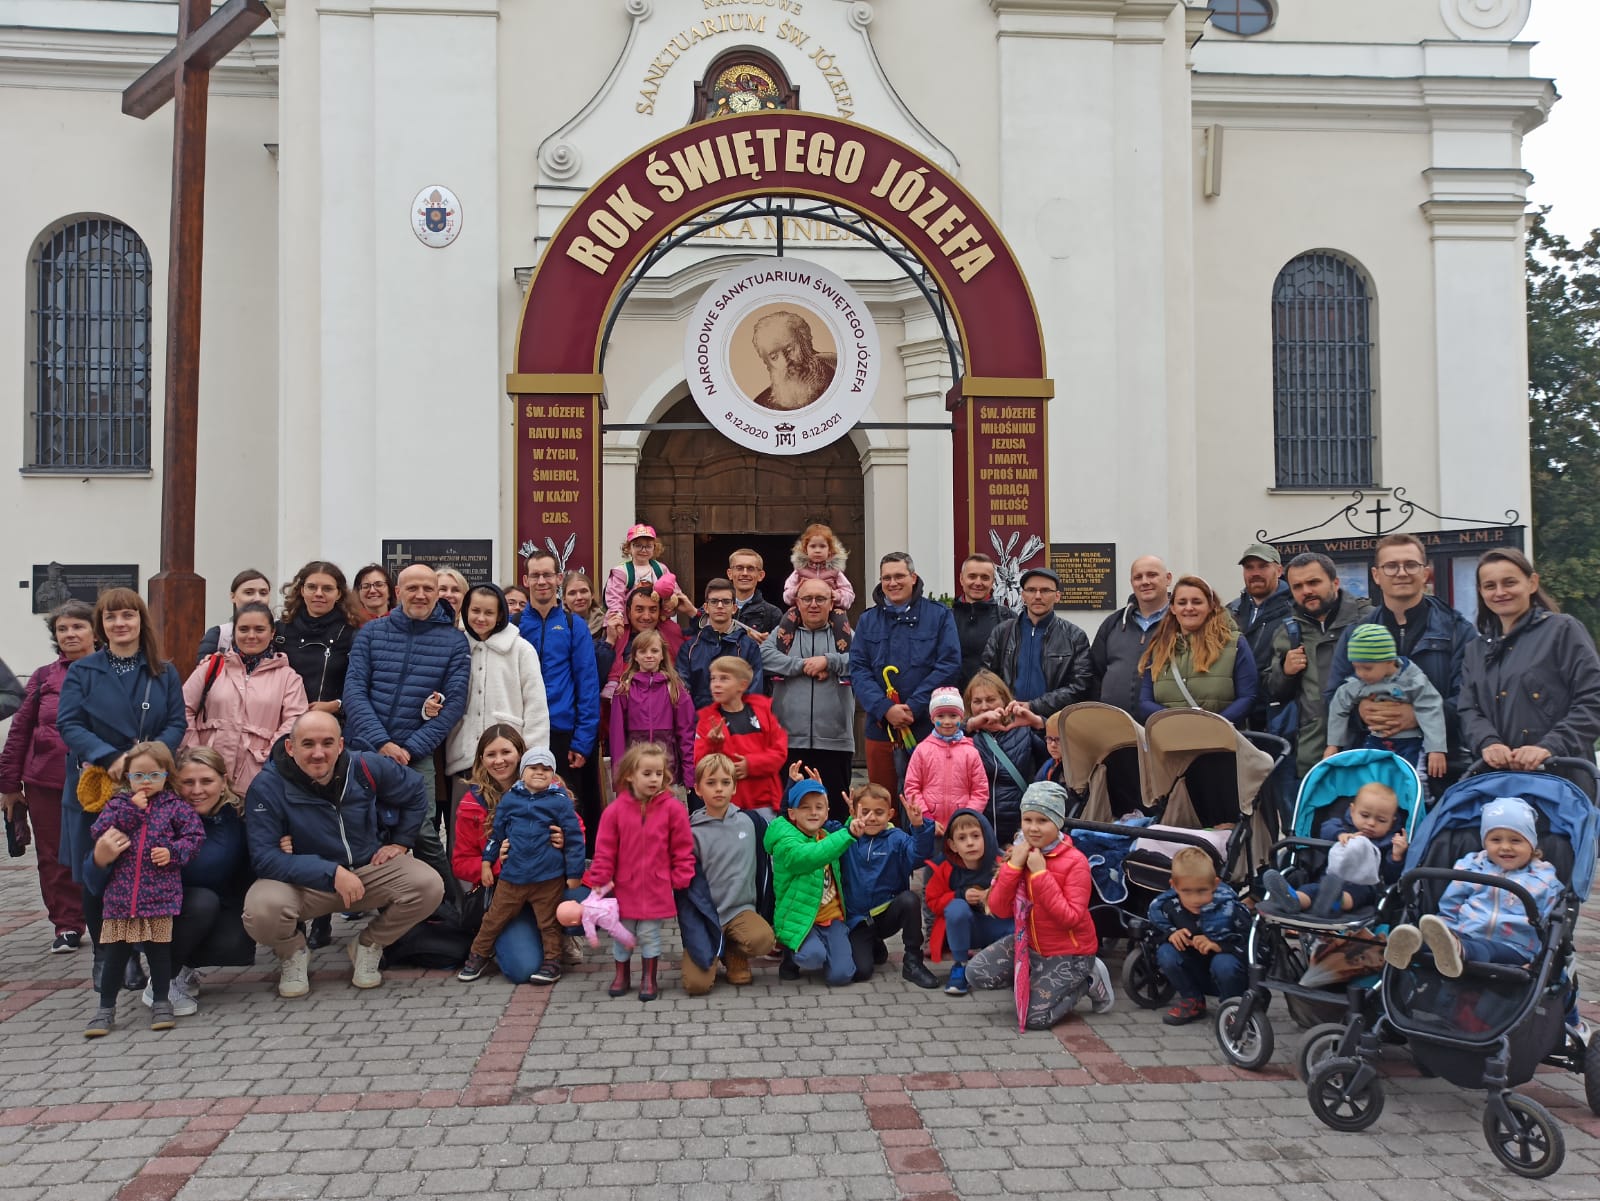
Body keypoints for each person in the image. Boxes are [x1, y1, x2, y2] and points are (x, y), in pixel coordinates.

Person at [242, 711, 442, 997]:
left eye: (327, 743)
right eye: (308, 744)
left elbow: (415, 789)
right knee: (261, 910)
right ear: (290, 747)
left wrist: (401, 842)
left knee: (428, 885)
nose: (318, 753)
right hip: (305, 883)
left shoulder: (364, 766)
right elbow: (265, 858)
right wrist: (331, 873)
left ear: (340, 745)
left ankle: (368, 944)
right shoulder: (267, 786)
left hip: (366, 871)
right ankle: (293, 953)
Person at [57, 588, 187, 992]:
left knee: (143, 865)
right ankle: (106, 954)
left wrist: (148, 760)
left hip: (149, 784)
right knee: (98, 868)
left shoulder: (164, 671)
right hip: (99, 783)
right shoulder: (83, 671)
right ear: (101, 625)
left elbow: (177, 723)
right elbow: (69, 723)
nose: (120, 624)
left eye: (128, 615)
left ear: (140, 621)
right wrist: (109, 756)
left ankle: (138, 950)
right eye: (111, 617)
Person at [343, 563, 470, 876]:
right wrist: (382, 742)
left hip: (416, 753)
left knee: (423, 831)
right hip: (366, 747)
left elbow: (453, 704)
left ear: (437, 594)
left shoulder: (454, 642)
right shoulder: (372, 633)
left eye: (428, 588)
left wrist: (410, 749)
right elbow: (354, 691)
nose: (420, 595)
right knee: (358, 824)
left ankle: (448, 900)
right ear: (398, 592)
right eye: (412, 588)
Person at [1325, 534, 1476, 782]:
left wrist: (1418, 716)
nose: (1401, 573)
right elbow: (1333, 695)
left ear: (1425, 573)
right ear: (1376, 575)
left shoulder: (1457, 630)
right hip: (1372, 766)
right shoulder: (1356, 634)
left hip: (1440, 769)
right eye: (1391, 566)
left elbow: (1470, 698)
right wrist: (1361, 713)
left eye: (1411, 565)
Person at [964, 781, 1114, 1028]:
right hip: (1029, 944)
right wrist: (1013, 867)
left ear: (1058, 822)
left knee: (1035, 1019)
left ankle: (1088, 980)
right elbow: (999, 909)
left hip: (1070, 952)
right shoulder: (1019, 851)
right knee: (976, 973)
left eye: (1042, 820)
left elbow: (1070, 918)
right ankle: (1038, 982)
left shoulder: (1075, 862)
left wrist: (1040, 874)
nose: (1033, 828)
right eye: (1028, 819)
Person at [82, 741, 205, 1037]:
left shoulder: (175, 807)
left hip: (159, 898)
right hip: (120, 899)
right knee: (115, 957)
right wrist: (131, 811)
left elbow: (194, 837)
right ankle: (105, 1009)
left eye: (154, 775)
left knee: (160, 954)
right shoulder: (118, 805)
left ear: (166, 775)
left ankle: (162, 1002)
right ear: (127, 777)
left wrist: (172, 853)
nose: (146, 782)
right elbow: (100, 831)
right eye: (138, 775)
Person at [123, 747, 254, 1015]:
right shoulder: (160, 816)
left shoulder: (237, 816)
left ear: (223, 781)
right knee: (203, 902)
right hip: (159, 911)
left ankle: (182, 966)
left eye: (206, 781)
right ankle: (162, 982)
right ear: (174, 783)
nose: (197, 790)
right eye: (188, 782)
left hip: (214, 905)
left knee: (237, 939)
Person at [0, 600, 96, 952]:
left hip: (100, 780)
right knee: (53, 855)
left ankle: (107, 918)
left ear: (95, 631)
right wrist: (9, 785)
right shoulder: (44, 677)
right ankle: (67, 924)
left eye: (78, 626)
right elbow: (20, 731)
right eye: (62, 629)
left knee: (102, 848)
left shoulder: (113, 672)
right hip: (47, 781)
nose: (70, 634)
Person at [452, 725, 579, 978]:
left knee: (578, 904)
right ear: (481, 759)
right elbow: (461, 862)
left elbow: (578, 834)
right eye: (491, 754)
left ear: (521, 754)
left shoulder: (552, 790)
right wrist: (495, 863)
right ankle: (489, 950)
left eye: (506, 752)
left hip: (547, 877)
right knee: (522, 968)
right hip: (508, 883)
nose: (499, 760)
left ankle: (559, 944)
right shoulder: (472, 802)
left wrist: (563, 841)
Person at [1384, 797, 1560, 978]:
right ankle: (1412, 944)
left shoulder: (1542, 878)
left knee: (1485, 949)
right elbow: (1452, 902)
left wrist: (1540, 958)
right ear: (1485, 843)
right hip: (1465, 932)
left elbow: (1548, 922)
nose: (1505, 847)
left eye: (1515, 841)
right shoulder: (1472, 867)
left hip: (1513, 947)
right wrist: (1447, 927)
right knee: (1445, 941)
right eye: (1496, 840)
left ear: (1531, 844)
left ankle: (1454, 949)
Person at [1458, 548, 1600, 770]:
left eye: (1510, 583)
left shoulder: (1562, 630)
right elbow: (1468, 709)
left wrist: (1550, 746)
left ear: (1532, 583)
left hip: (1562, 774)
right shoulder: (1475, 650)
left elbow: (1593, 698)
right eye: (1490, 586)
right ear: (1481, 592)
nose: (1500, 592)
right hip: (1499, 778)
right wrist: (1488, 742)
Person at [583, 742, 695, 1002]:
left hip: (656, 886)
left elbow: (682, 847)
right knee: (622, 934)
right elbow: (605, 849)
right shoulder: (615, 811)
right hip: (624, 887)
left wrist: (682, 875)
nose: (654, 779)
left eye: (658, 773)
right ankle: (622, 975)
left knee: (649, 934)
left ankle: (649, 978)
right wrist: (599, 878)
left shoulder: (673, 809)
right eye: (647, 773)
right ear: (630, 775)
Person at [849, 552, 962, 794]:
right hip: (881, 728)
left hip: (927, 728)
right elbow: (858, 669)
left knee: (927, 799)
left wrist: (913, 706)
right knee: (882, 801)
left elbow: (949, 665)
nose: (893, 583)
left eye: (899, 576)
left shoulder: (939, 615)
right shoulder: (868, 620)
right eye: (886, 578)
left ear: (913, 577)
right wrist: (885, 709)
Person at [1263, 552, 1373, 778]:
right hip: (1312, 751)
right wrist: (1285, 671)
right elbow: (1272, 690)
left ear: (1335, 582)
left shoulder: (1368, 620)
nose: (1306, 591)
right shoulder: (1288, 631)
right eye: (1298, 586)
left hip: (1367, 743)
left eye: (1313, 582)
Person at [182, 602, 309, 793]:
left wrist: (268, 758)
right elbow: (183, 708)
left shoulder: (288, 677)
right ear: (234, 632)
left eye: (259, 629)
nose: (251, 636)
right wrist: (196, 753)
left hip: (258, 778)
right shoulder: (212, 667)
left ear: (272, 633)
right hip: (206, 777)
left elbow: (295, 722)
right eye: (243, 629)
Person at [519, 550, 601, 843]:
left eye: (547, 575)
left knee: (569, 810)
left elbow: (587, 684)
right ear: (526, 580)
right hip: (524, 732)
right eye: (535, 575)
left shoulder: (573, 625)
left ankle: (576, 867)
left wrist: (582, 740)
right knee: (527, 809)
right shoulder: (514, 625)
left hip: (563, 732)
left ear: (558, 578)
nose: (541, 581)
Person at [682, 753, 778, 995]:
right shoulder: (690, 833)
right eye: (711, 783)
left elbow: (787, 829)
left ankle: (734, 952)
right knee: (697, 986)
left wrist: (795, 791)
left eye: (725, 782)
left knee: (763, 939)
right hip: (706, 917)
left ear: (734, 787)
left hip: (739, 911)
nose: (719, 789)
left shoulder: (751, 823)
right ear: (698, 789)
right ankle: (712, 949)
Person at [763, 577, 856, 821]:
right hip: (788, 741)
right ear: (797, 602)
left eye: (820, 599)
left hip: (835, 741)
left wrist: (829, 661)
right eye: (807, 599)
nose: (813, 604)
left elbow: (861, 660)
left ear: (832, 603)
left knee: (835, 814)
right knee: (789, 813)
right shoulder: (783, 634)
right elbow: (763, 656)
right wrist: (802, 666)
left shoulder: (845, 634)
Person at [443, 584, 550, 785]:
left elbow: (536, 705)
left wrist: (535, 757)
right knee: (465, 804)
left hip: (508, 758)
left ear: (500, 615)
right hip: (463, 757)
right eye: (475, 611)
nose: (481, 618)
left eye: (489, 612)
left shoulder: (521, 649)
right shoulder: (457, 647)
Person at [766, 777, 863, 986]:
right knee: (813, 956)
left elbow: (836, 842)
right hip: (800, 919)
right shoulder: (785, 842)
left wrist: (854, 823)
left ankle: (826, 950)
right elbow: (811, 855)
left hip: (831, 918)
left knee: (841, 976)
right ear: (792, 814)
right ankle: (792, 954)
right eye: (805, 807)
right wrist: (848, 834)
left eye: (819, 807)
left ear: (827, 812)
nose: (813, 812)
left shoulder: (826, 835)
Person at [839, 783, 938, 987]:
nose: (872, 818)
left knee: (910, 900)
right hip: (858, 921)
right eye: (865, 812)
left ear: (890, 814)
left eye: (879, 812)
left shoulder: (897, 839)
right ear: (854, 812)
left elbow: (919, 855)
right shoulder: (846, 837)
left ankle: (913, 962)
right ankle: (874, 945)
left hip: (887, 916)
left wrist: (919, 826)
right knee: (861, 972)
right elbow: (821, 830)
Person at [1261, 781, 1406, 916]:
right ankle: (1293, 899)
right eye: (1365, 815)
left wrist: (1396, 857)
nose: (1371, 823)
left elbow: (1391, 877)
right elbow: (1326, 830)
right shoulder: (1341, 826)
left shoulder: (1388, 842)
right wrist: (1340, 835)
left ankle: (1335, 902)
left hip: (1364, 886)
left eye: (1381, 820)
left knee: (1353, 895)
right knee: (1310, 889)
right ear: (1352, 810)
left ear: (1392, 822)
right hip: (1327, 881)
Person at [1146, 846, 1250, 1026]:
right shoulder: (1169, 907)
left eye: (1202, 891)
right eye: (1187, 891)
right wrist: (1170, 934)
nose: (1195, 899)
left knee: (1224, 963)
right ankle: (1192, 999)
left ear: (1215, 884)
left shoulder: (1231, 909)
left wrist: (1221, 946)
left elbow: (1256, 947)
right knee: (1166, 952)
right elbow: (1150, 937)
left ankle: (1233, 1007)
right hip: (1195, 969)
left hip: (1230, 975)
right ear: (1174, 886)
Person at [1324, 626, 1448, 777]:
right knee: (1371, 779)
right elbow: (1339, 706)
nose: (1361, 674)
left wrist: (1436, 749)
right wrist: (1334, 744)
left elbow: (1431, 709)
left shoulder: (1414, 681)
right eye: (1356, 667)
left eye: (1367, 668)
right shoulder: (1357, 684)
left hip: (1412, 742)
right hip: (1376, 740)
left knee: (1413, 778)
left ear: (1389, 661)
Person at [1137, 576, 1258, 727]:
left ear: (1211, 606)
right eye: (1182, 603)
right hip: (1170, 736)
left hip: (1220, 737)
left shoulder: (1235, 644)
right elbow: (1145, 701)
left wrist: (1212, 725)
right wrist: (1178, 721)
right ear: (1173, 608)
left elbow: (1248, 696)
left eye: (1197, 602)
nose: (1189, 608)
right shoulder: (1159, 647)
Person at [980, 567, 1093, 720]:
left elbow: (1080, 686)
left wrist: (1034, 706)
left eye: (1045, 590)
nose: (1038, 596)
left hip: (1052, 723)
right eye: (1031, 590)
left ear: (1057, 596)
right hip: (1008, 720)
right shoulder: (1002, 632)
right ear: (1023, 595)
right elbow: (986, 677)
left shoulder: (1074, 636)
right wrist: (1008, 708)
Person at [926, 810, 1006, 996]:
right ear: (952, 845)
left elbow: (1018, 899)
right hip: (965, 930)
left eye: (976, 836)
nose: (970, 843)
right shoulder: (945, 867)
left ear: (986, 837)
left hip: (997, 925)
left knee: (1020, 925)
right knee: (957, 908)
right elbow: (933, 902)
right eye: (962, 838)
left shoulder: (1002, 863)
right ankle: (960, 966)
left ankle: (1009, 965)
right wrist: (960, 894)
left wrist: (991, 895)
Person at [692, 657, 788, 813]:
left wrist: (750, 765)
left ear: (742, 685)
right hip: (728, 807)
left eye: (724, 678)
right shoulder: (707, 720)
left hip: (765, 803)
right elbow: (699, 764)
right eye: (713, 679)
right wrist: (712, 745)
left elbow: (780, 752)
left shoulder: (763, 711)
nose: (716, 684)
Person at [965, 672, 1047, 847]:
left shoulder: (1024, 730)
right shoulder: (965, 736)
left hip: (1020, 833)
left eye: (990, 699)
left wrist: (1037, 723)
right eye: (977, 701)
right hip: (978, 834)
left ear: (1004, 700)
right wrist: (970, 725)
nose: (984, 707)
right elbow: (937, 746)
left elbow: (1058, 755)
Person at [609, 629, 696, 789]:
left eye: (654, 651)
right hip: (635, 771)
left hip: (667, 771)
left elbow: (686, 734)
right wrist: (619, 778)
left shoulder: (676, 689)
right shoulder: (624, 690)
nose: (649, 655)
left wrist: (689, 776)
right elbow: (617, 737)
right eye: (643, 651)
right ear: (635, 656)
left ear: (662, 655)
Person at [274, 561, 359, 720]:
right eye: (312, 587)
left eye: (327, 589)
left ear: (339, 594)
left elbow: (362, 684)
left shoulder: (352, 635)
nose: (319, 593)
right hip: (283, 723)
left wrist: (338, 705)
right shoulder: (280, 632)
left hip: (330, 724)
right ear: (302, 590)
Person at [1090, 555, 1171, 715]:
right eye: (1138, 577)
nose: (1145, 582)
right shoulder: (1114, 623)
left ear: (1168, 579)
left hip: (1164, 724)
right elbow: (1094, 674)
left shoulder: (1181, 622)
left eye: (1152, 575)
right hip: (1115, 724)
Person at [903, 686, 988, 834]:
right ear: (932, 718)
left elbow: (980, 790)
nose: (947, 721)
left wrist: (966, 817)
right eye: (941, 716)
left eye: (953, 716)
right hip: (928, 826)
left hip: (962, 828)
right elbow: (912, 787)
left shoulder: (971, 752)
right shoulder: (922, 750)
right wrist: (927, 819)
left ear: (961, 718)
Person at [1227, 543, 1293, 731]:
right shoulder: (1231, 611)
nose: (1255, 573)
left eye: (1263, 566)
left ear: (1279, 570)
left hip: (1278, 718)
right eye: (1249, 567)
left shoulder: (1294, 611)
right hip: (1238, 716)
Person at [678, 578, 765, 710]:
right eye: (714, 601)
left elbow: (754, 692)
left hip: (737, 719)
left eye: (726, 601)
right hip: (699, 719)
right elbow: (682, 691)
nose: (720, 606)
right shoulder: (689, 648)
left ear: (734, 608)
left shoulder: (749, 646)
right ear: (706, 608)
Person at [598, 584, 686, 687]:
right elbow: (596, 675)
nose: (646, 617)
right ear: (628, 612)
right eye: (639, 610)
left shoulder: (671, 635)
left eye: (653, 610)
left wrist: (691, 612)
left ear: (659, 612)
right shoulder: (615, 636)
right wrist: (609, 642)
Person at [750, 310, 836, 411]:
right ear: (767, 363)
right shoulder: (761, 405)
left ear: (806, 341)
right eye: (774, 357)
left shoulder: (840, 375)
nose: (785, 362)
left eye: (789, 350)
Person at [952, 554, 1014, 690]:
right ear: (961, 579)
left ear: (992, 582)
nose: (978, 583)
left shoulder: (1008, 619)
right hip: (953, 698)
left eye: (985, 578)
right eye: (972, 576)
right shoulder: (946, 618)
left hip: (993, 697)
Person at [197, 568, 272, 663]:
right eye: (249, 593)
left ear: (272, 633)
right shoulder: (219, 635)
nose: (257, 598)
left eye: (263, 593)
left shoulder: (281, 632)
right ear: (233, 596)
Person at [604, 524, 674, 615]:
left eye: (648, 546)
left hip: (656, 618)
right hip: (628, 619)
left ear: (654, 548)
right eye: (638, 545)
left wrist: (670, 603)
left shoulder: (661, 569)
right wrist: (618, 616)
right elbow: (614, 598)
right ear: (629, 548)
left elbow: (674, 591)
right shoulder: (622, 572)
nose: (643, 550)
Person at [782, 524, 855, 610]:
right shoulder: (800, 571)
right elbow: (786, 596)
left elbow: (849, 594)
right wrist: (796, 590)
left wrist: (837, 596)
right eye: (813, 546)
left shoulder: (834, 571)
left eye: (822, 546)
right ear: (806, 549)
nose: (817, 550)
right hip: (804, 609)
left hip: (829, 610)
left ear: (829, 550)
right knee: (789, 616)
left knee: (840, 617)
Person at [728, 548, 785, 639]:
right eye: (739, 568)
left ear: (760, 575)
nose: (745, 573)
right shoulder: (714, 608)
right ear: (730, 573)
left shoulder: (773, 614)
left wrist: (766, 644)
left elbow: (781, 646)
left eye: (750, 569)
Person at [562, 571, 606, 637]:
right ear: (564, 599)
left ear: (592, 594)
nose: (579, 597)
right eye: (572, 593)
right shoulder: (556, 626)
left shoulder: (606, 625)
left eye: (583, 591)